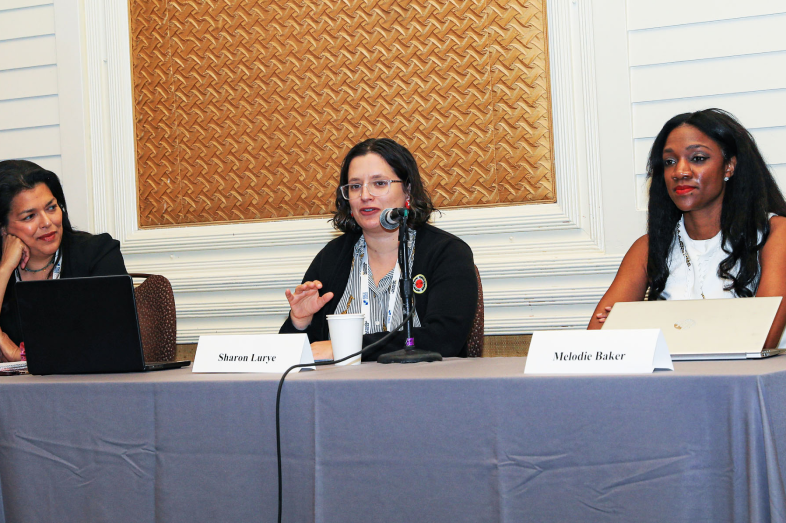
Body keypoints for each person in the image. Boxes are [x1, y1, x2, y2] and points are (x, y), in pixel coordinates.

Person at [588, 108, 786, 348]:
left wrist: (641, 328)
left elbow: (761, 338)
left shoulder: (775, 234)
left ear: (729, 166)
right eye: (670, 162)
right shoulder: (647, 247)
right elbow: (598, 343)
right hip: (667, 384)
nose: (680, 172)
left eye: (698, 158)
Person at [279, 138, 478, 361]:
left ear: (408, 191)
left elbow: (445, 338)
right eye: (355, 186)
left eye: (379, 183)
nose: (365, 195)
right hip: (342, 393)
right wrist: (300, 322)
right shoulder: (332, 258)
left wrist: (349, 349)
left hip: (424, 390)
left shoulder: (446, 253)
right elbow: (294, 356)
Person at [0, 160, 128, 362]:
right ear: (3, 228)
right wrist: (5, 269)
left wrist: (20, 354)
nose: (47, 222)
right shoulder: (2, 271)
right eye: (29, 216)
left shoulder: (97, 254)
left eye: (51, 208)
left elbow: (112, 339)